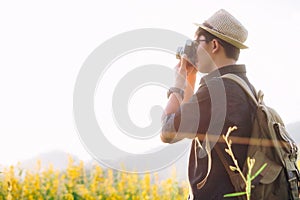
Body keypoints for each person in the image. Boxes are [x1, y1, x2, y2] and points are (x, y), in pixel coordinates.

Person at [161, 9, 256, 199]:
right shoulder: (243, 86)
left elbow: (168, 131)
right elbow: (186, 128)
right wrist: (191, 77)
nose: (193, 48)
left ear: (214, 45)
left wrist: (178, 85)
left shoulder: (217, 91)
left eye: (197, 41)